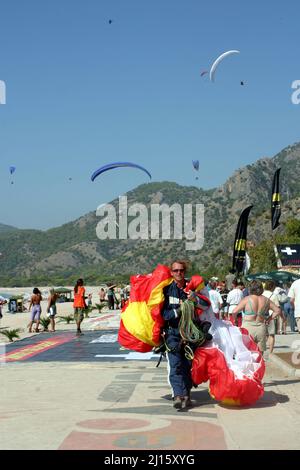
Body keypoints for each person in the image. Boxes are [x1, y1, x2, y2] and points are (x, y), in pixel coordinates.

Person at [161, 260, 210, 410]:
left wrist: (195, 298)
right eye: (175, 270)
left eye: (181, 270)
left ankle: (186, 394)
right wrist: (179, 311)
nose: (178, 273)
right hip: (173, 334)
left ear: (185, 271)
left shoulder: (192, 289)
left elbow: (206, 305)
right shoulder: (167, 290)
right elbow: (163, 313)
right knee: (175, 365)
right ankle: (178, 395)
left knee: (187, 366)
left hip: (190, 333)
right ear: (171, 272)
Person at [232, 280, 281, 354]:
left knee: (246, 352)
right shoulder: (266, 300)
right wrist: (268, 319)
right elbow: (277, 310)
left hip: (248, 327)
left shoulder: (247, 299)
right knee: (260, 354)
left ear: (250, 288)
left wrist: (235, 320)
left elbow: (234, 311)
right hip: (261, 327)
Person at [263, 281, 285, 353]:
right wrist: (282, 317)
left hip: (262, 316)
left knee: (264, 334)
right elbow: (278, 308)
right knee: (271, 335)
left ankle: (262, 350)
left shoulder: (261, 294)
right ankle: (270, 352)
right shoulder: (274, 295)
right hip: (272, 316)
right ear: (272, 287)